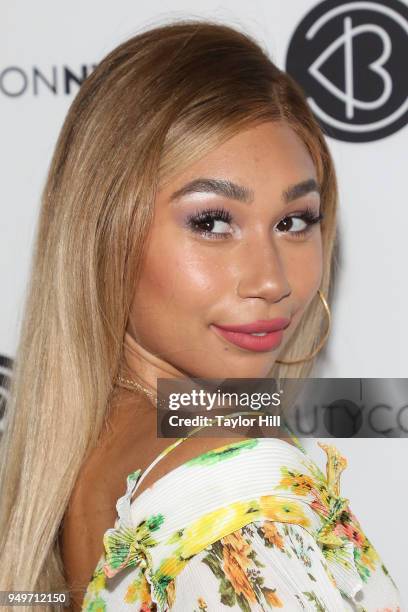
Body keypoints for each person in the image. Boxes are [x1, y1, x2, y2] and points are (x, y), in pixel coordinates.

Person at [0, 20, 401, 612]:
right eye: (211, 222)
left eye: (294, 222)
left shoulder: (102, 452)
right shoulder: (234, 479)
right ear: (105, 231)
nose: (271, 280)